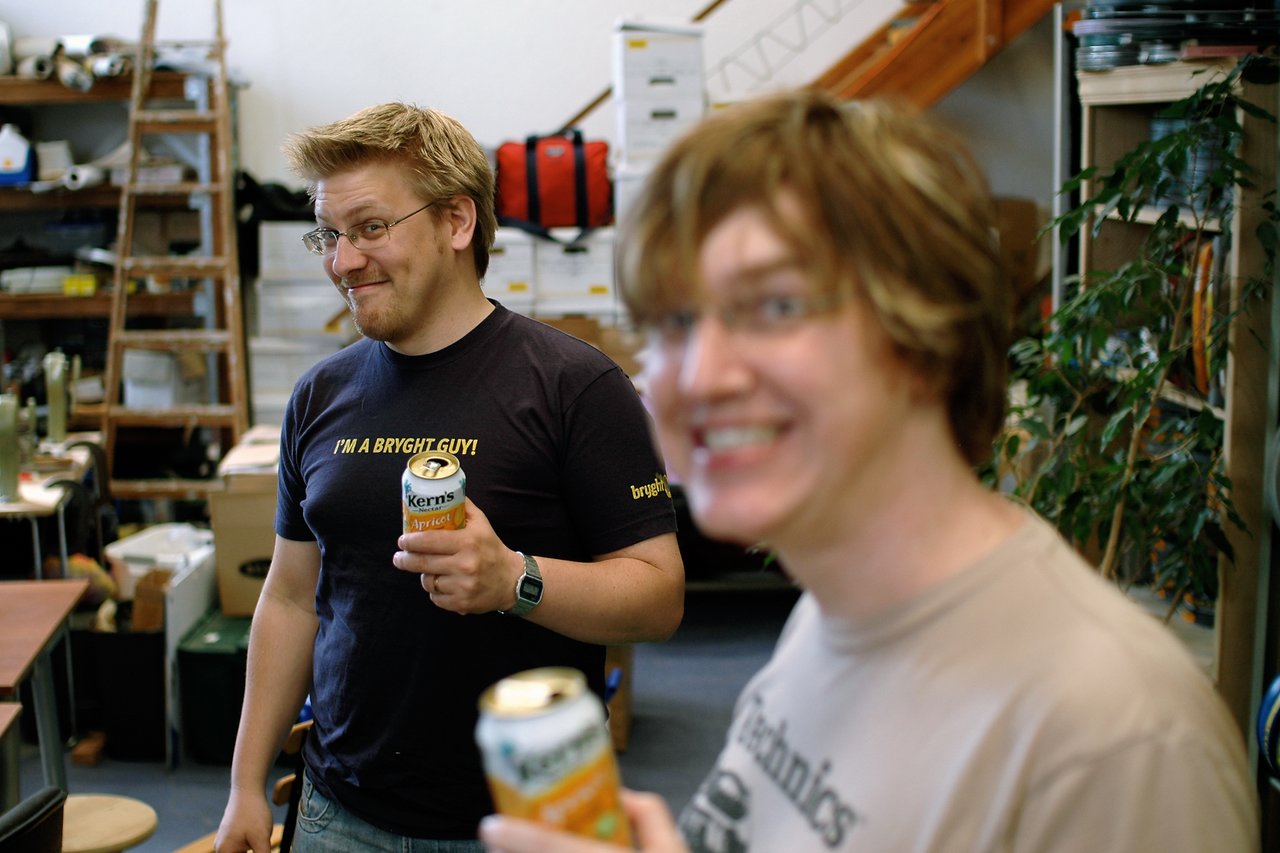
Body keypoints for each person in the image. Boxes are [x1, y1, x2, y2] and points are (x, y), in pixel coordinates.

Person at [478, 90, 1260, 852]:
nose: (700, 374)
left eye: (776, 307)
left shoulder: (1113, 739)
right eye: (675, 323)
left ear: (927, 336)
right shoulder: (837, 608)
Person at [214, 102, 685, 853]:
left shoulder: (575, 385)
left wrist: (514, 580)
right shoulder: (318, 395)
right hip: (341, 812)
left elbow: (659, 597)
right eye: (331, 236)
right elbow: (292, 595)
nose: (343, 261)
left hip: (535, 820)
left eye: (370, 228)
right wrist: (243, 784)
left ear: (457, 222)